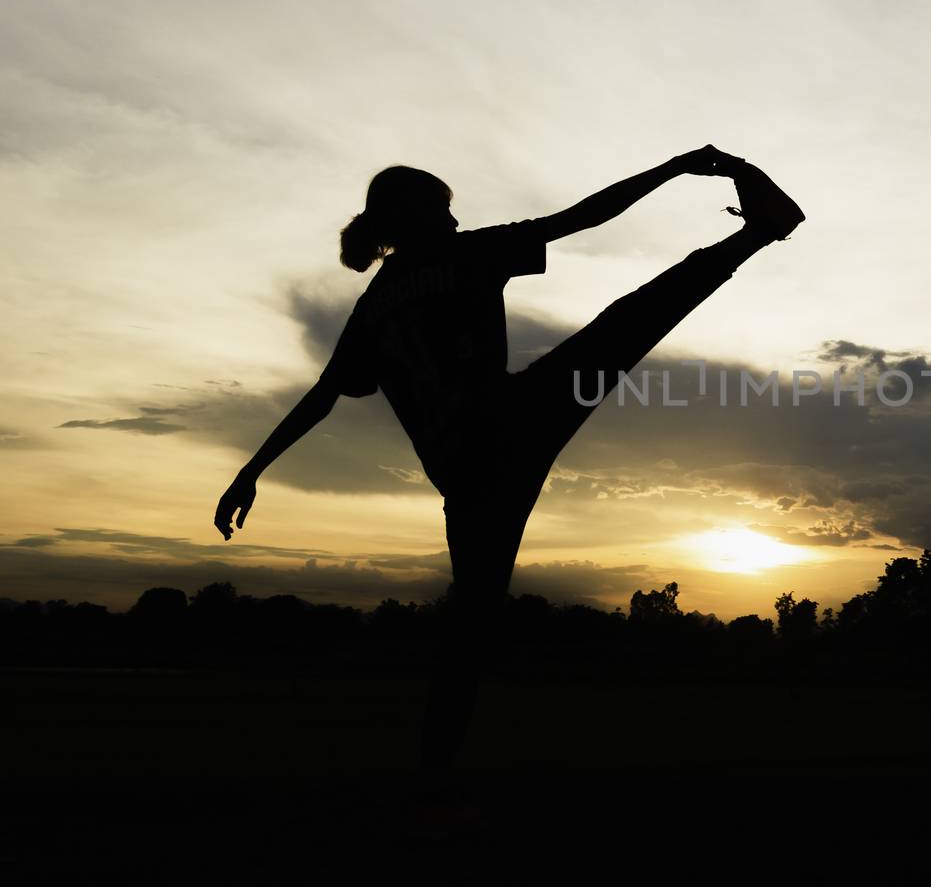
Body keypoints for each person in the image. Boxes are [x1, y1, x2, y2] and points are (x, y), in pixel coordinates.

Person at [212, 145, 804, 789]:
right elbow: (582, 218)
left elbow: (323, 396)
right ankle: (760, 230)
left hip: (466, 480)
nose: (456, 221)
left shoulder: (372, 308)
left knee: (469, 632)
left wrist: (252, 471)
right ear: (413, 214)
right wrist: (673, 169)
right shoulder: (463, 257)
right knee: (629, 320)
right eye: (444, 209)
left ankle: (431, 776)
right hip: (510, 424)